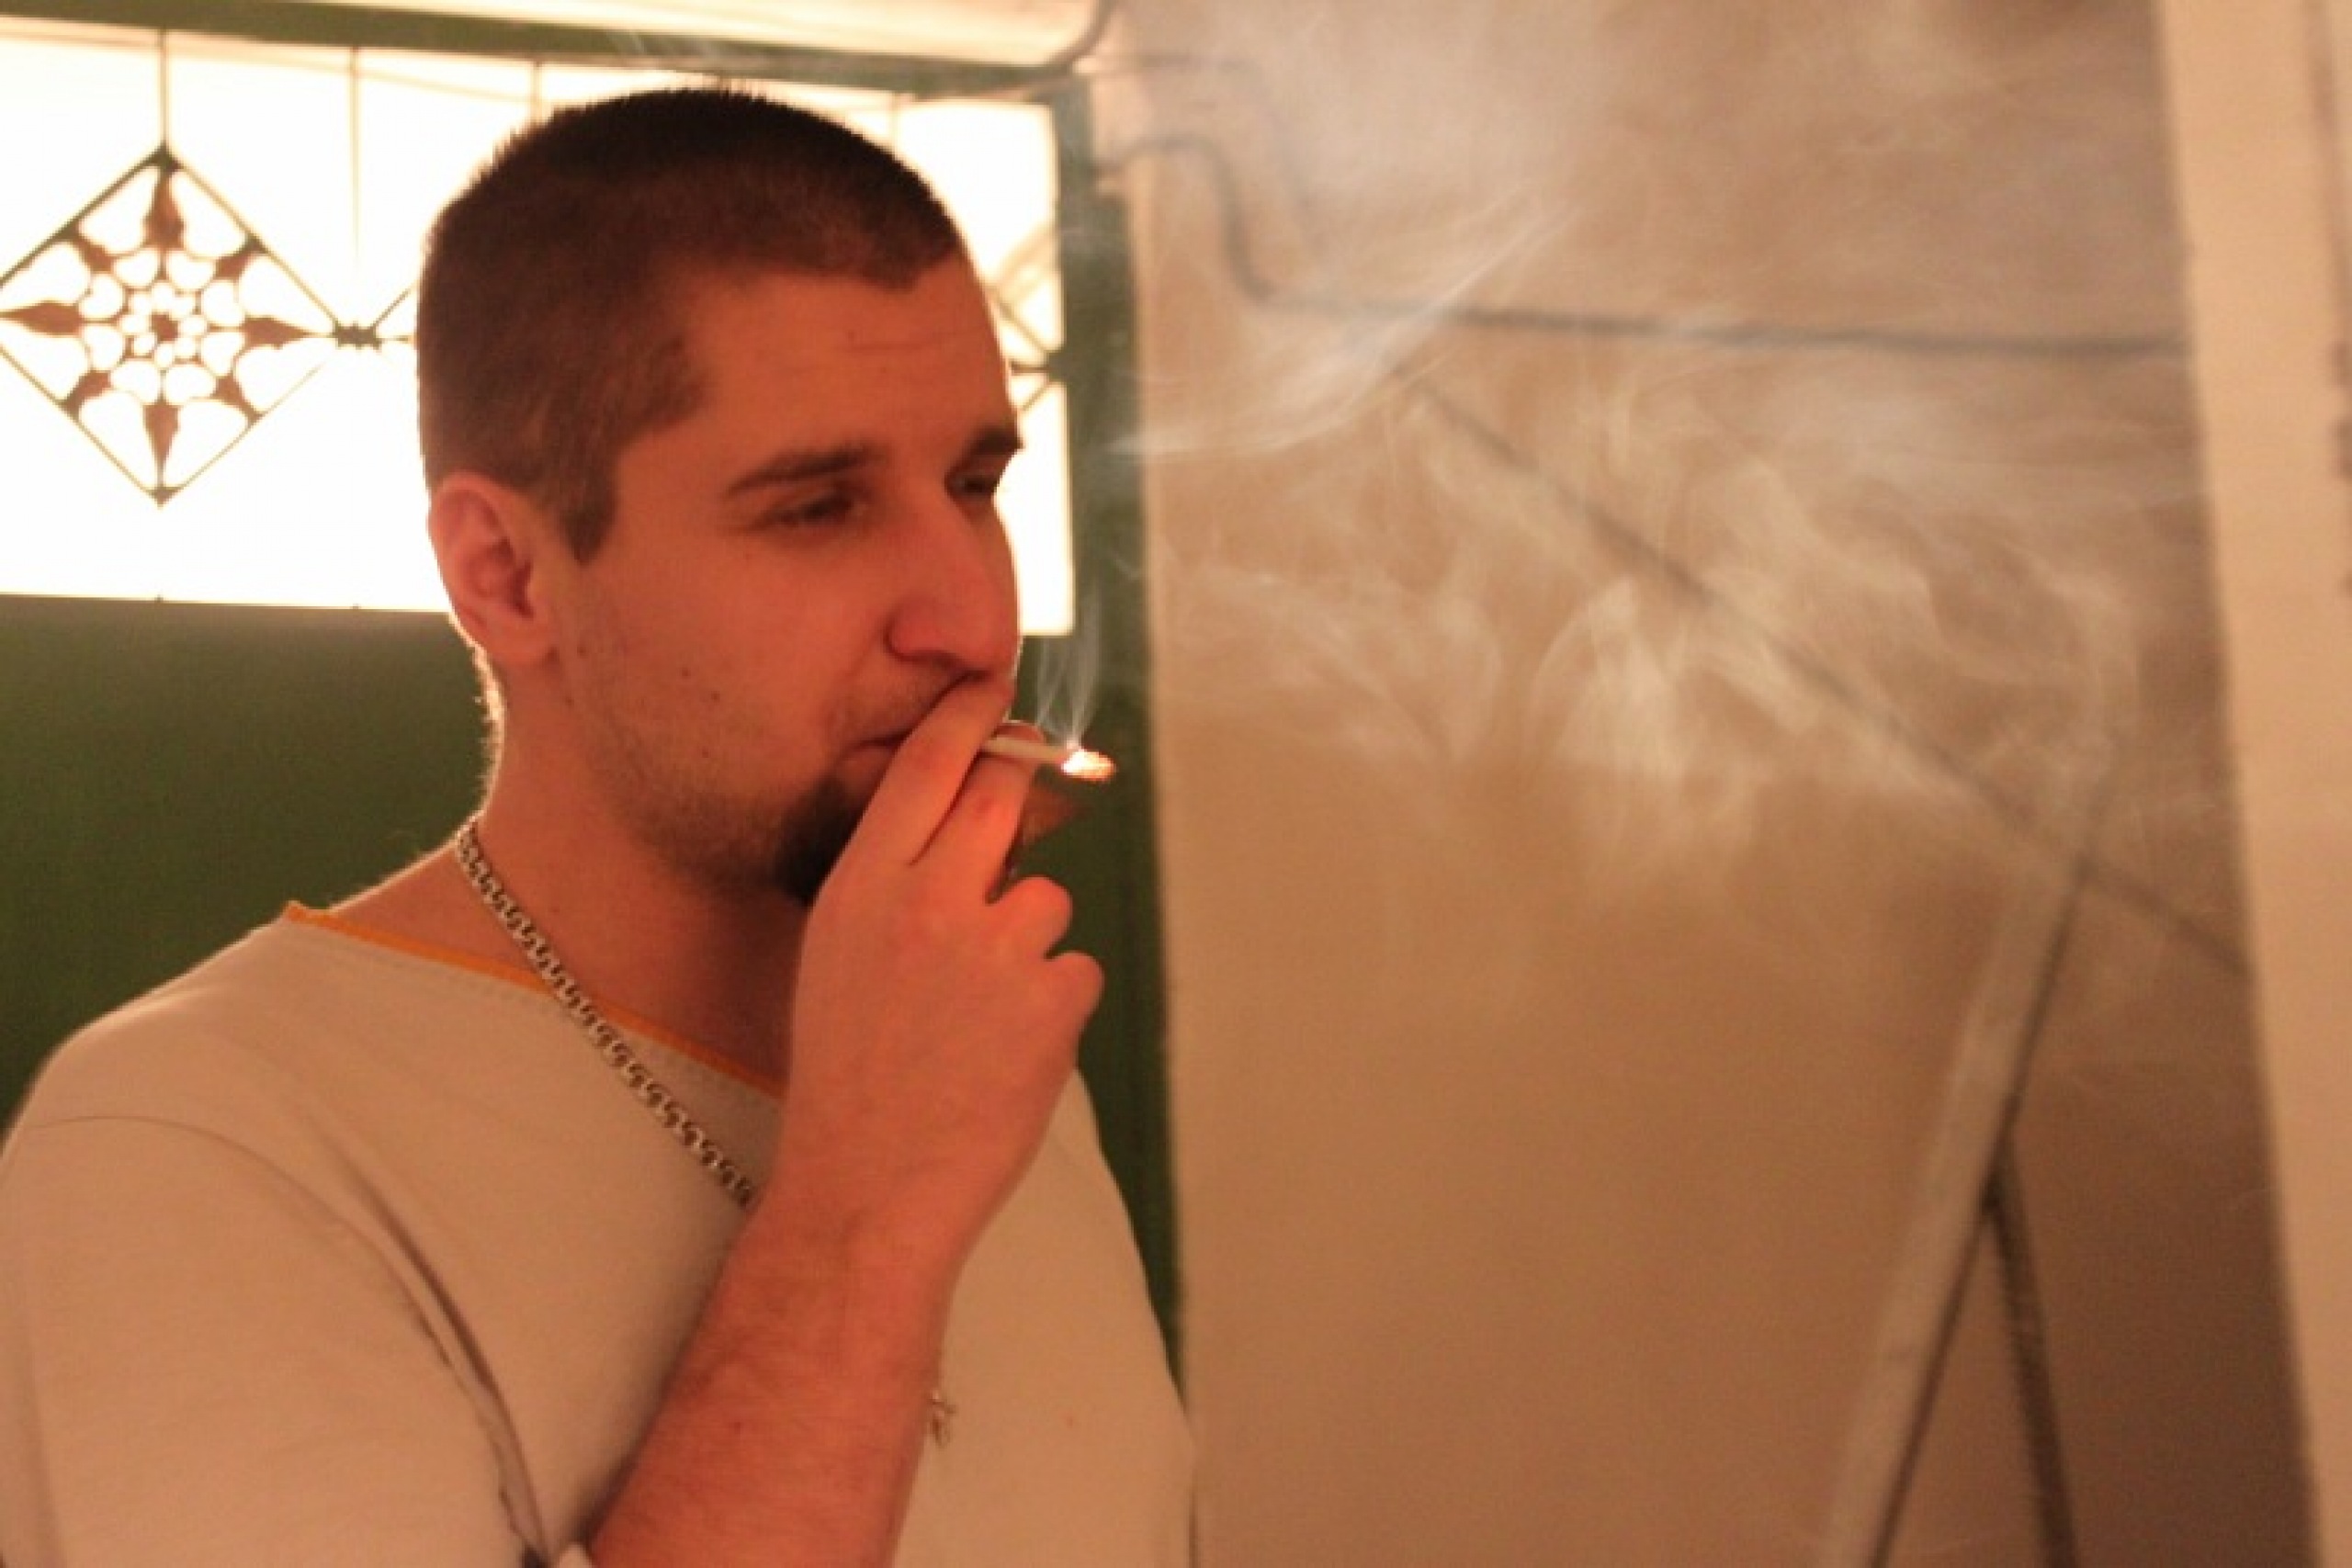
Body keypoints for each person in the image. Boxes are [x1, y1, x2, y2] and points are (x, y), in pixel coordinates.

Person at [0, 87, 1193, 1565]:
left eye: (974, 484)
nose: (965, 618)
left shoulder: (992, 1074)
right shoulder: (195, 1144)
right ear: (506, 576)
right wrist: (865, 1214)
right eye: (816, 508)